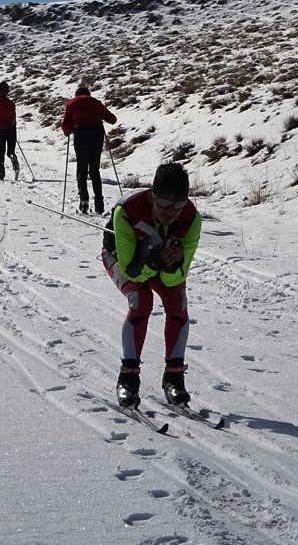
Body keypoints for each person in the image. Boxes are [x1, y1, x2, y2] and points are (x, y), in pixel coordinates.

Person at [101, 163, 202, 409]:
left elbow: (175, 279)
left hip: (157, 261)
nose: (171, 212)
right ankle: (128, 378)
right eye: (164, 203)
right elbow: (131, 271)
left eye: (178, 205)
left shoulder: (191, 219)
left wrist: (169, 265)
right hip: (123, 257)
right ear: (151, 196)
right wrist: (156, 259)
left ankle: (174, 378)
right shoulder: (127, 212)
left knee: (178, 303)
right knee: (141, 300)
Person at [60, 86, 117, 215]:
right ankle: (99, 204)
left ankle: (84, 199)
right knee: (94, 169)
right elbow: (112, 119)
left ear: (76, 95)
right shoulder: (95, 102)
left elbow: (65, 125)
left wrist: (68, 131)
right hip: (97, 133)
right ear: (88, 94)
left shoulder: (71, 103)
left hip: (81, 133)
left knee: (82, 168)